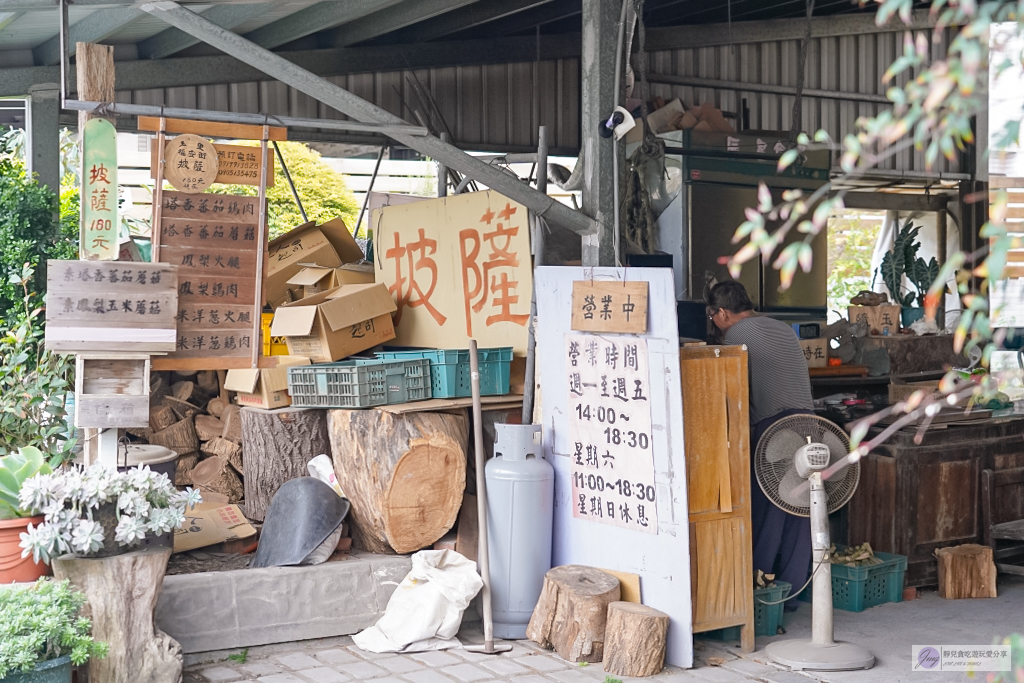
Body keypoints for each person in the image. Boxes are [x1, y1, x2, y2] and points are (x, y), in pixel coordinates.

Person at [707, 280, 814, 610]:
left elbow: (735, 392)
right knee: (799, 507)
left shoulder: (737, 336)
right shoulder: (782, 328)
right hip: (811, 426)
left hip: (775, 429)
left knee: (766, 508)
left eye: (713, 317)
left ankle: (759, 589)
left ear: (723, 313)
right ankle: (795, 592)